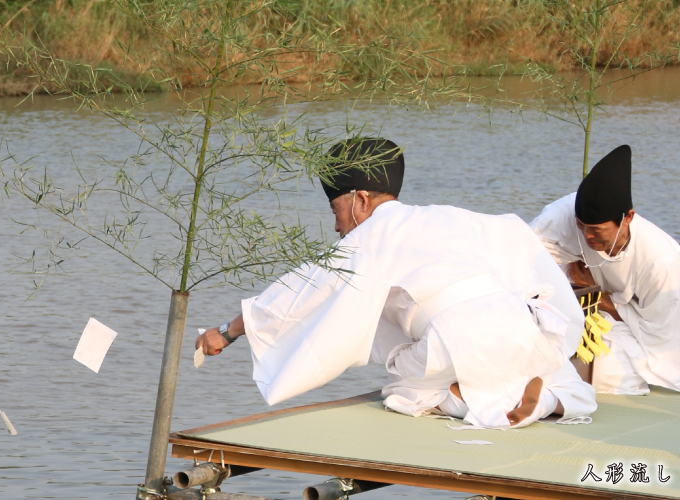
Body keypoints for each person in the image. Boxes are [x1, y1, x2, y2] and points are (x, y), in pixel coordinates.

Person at [197, 137, 596, 428]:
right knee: (565, 383)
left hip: (453, 336)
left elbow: (297, 292)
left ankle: (461, 396)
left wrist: (227, 332)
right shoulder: (451, 214)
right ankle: (546, 400)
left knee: (402, 389)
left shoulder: (368, 235)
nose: (337, 225)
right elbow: (517, 237)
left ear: (361, 200)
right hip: (520, 322)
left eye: (336, 209)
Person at [529, 145, 680, 395]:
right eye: (581, 226)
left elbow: (662, 335)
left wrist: (601, 299)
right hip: (578, 308)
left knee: (609, 372)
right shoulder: (566, 212)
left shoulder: (661, 262)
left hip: (640, 328)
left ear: (628, 218)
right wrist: (569, 280)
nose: (587, 236)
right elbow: (524, 252)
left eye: (597, 230)